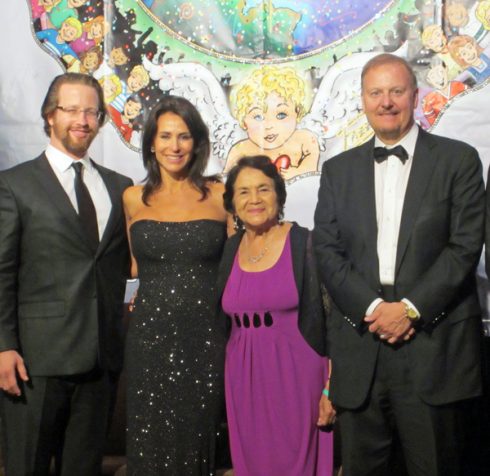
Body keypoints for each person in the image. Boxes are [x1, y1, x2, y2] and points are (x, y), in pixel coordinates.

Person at [313, 53, 485, 475]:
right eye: (376, 92)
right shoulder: (337, 170)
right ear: (363, 100)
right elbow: (328, 252)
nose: (386, 102)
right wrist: (374, 310)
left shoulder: (458, 160)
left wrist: (409, 309)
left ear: (414, 95)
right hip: (361, 345)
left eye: (396, 91)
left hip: (433, 342)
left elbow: (464, 247)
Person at [0, 72, 132, 475]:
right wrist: (3, 345)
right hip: (34, 363)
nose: (83, 120)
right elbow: (2, 271)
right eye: (72, 109)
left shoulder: (119, 187)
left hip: (100, 360)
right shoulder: (14, 185)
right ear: (49, 115)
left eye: (91, 111)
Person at [122, 95, 228, 475]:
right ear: (151, 142)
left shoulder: (220, 195)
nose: (174, 146)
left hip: (206, 338)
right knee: (149, 445)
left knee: (198, 437)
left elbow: (239, 267)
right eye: (165, 136)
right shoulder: (133, 198)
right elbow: (132, 269)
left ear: (197, 143)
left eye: (184, 136)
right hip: (149, 340)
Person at [217, 155, 335, 476]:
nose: (254, 199)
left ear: (278, 195)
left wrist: (330, 389)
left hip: (297, 379)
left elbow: (334, 322)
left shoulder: (304, 243)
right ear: (232, 201)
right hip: (242, 381)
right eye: (243, 192)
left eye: (263, 189)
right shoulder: (230, 249)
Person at [225, 66, 320, 181]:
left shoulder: (305, 139)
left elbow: (313, 167)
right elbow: (226, 181)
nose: (269, 125)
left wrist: (299, 172)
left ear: (297, 113)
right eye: (258, 117)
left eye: (281, 115)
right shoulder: (240, 149)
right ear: (244, 122)